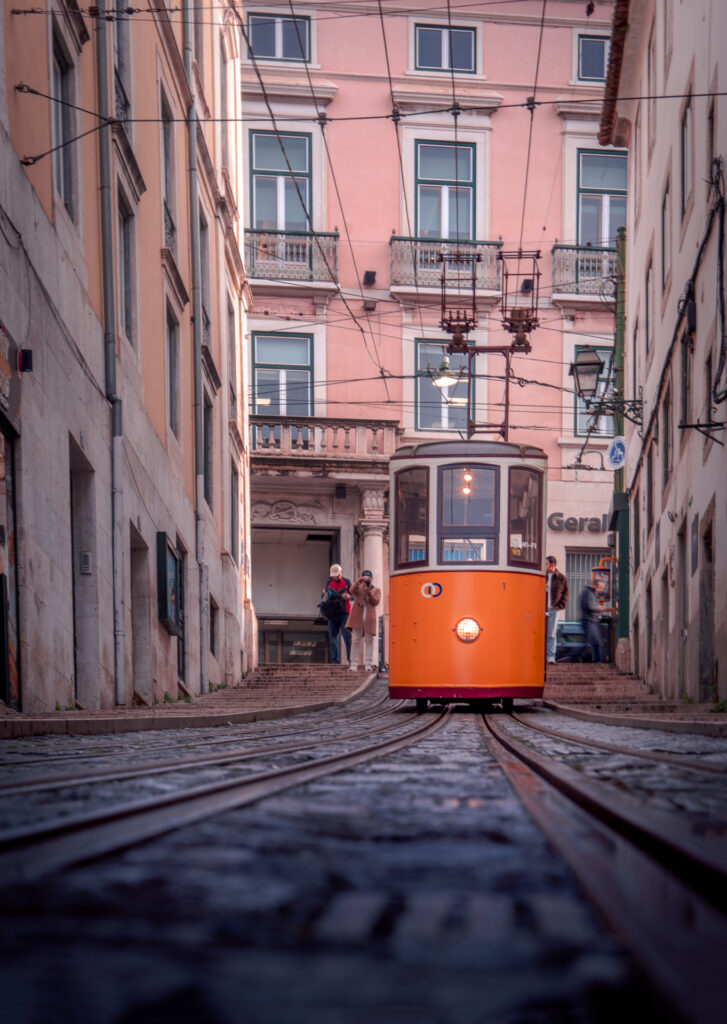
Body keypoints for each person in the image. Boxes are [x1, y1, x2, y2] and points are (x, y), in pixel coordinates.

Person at [559, 578, 603, 663]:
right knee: (593, 644)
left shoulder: (590, 593)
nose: (601, 589)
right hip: (589, 621)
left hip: (590, 621)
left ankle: (571, 657)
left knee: (592, 643)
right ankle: (570, 657)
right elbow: (589, 606)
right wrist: (598, 608)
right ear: (595, 585)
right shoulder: (588, 592)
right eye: (600, 587)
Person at [346, 570, 382, 672]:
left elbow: (376, 601)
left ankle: (368, 665)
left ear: (372, 579)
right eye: (365, 578)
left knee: (369, 641)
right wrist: (359, 580)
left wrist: (369, 591)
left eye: (368, 578)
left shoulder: (376, 590)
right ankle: (353, 664)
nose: (366, 580)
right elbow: (352, 590)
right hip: (357, 618)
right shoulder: (359, 589)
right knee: (355, 640)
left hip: (369, 619)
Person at [321, 564, 352, 665]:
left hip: (344, 614)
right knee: (333, 638)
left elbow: (354, 596)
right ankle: (335, 662)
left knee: (347, 636)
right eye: (333, 576)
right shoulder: (329, 582)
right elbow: (323, 596)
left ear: (341, 572)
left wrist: (348, 597)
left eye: (336, 575)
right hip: (332, 614)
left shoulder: (347, 582)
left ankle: (350, 660)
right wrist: (324, 593)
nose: (335, 577)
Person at [545, 555, 569, 664]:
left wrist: (559, 606)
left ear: (552, 565)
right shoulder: (541, 576)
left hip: (553, 609)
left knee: (551, 634)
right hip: (540, 608)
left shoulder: (561, 578)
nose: (544, 566)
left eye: (546, 564)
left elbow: (566, 594)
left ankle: (550, 657)